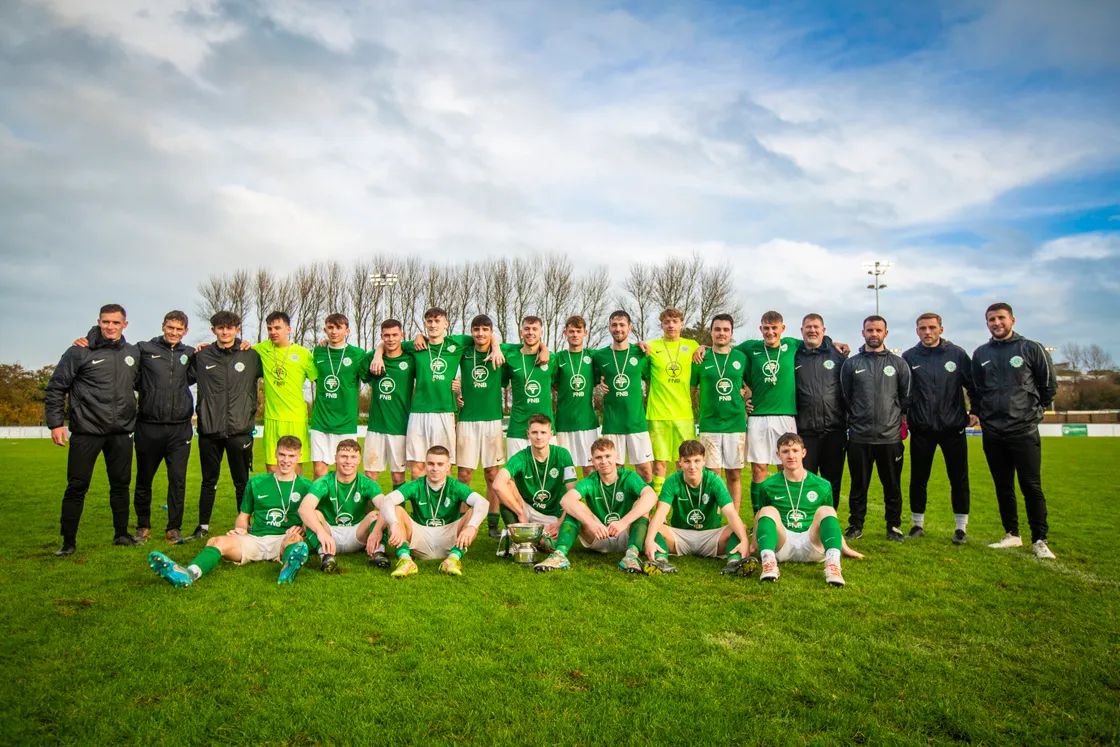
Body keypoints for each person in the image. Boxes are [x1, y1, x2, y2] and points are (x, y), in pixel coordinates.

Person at [71, 310, 195, 544]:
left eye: (179, 329)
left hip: (180, 429)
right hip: (148, 426)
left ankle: (174, 528)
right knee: (144, 479)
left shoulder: (189, 353)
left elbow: (216, 355)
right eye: (170, 327)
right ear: (163, 326)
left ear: (186, 331)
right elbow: (117, 350)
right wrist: (89, 338)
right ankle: (143, 526)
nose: (174, 332)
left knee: (178, 480)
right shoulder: (143, 349)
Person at [146, 436, 313, 586]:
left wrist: (303, 529)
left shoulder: (307, 487)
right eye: (282, 454)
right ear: (275, 454)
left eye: (291, 456)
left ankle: (287, 570)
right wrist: (240, 529)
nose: (286, 460)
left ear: (299, 457)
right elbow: (244, 516)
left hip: (284, 539)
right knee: (215, 541)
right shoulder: (256, 482)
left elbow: (314, 517)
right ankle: (188, 574)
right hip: (255, 539)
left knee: (296, 542)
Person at [45, 304, 141, 555]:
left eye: (116, 322)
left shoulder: (132, 353)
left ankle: (121, 534)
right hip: (86, 430)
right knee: (77, 486)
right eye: (106, 322)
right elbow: (56, 387)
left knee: (121, 485)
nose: (110, 327)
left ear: (125, 325)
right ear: (99, 322)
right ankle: (68, 542)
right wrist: (56, 423)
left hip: (121, 432)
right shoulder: (79, 351)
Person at [370, 307, 504, 476]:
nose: (433, 325)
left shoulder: (457, 343)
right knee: (417, 468)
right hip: (418, 412)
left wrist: (496, 348)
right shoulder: (415, 345)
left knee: (444, 466)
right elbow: (389, 343)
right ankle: (420, 495)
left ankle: (444, 495)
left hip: (444, 412)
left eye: (437, 321)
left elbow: (485, 336)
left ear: (446, 324)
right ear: (425, 324)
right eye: (430, 321)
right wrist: (378, 355)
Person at [971, 303, 1057, 559]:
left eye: (1001, 318)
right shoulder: (981, 353)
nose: (996, 323)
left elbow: (1049, 385)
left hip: (1023, 429)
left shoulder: (1031, 348)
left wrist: (1034, 412)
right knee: (1003, 485)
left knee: (1031, 485)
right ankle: (1012, 534)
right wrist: (982, 413)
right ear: (987, 323)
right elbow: (976, 389)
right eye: (991, 319)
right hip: (992, 431)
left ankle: (1039, 539)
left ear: (1012, 320)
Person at [902, 313, 976, 544]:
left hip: (953, 428)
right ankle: (917, 524)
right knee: (918, 478)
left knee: (959, 478)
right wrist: (904, 414)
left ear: (941, 329)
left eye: (932, 327)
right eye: (923, 328)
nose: (928, 332)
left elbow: (973, 385)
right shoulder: (909, 357)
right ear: (917, 331)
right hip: (922, 428)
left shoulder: (957, 354)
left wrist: (975, 410)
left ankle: (961, 528)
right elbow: (903, 391)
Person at [189, 311, 263, 542]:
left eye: (230, 328)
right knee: (208, 480)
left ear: (237, 329)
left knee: (241, 483)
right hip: (210, 431)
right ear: (213, 330)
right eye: (220, 328)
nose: (225, 332)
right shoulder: (201, 356)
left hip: (240, 430)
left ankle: (245, 526)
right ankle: (202, 526)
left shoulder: (251, 355)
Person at [533, 437, 658, 573]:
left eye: (608, 456)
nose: (604, 461)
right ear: (592, 461)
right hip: (599, 535)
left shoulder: (628, 477)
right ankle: (559, 555)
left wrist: (623, 522)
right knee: (576, 507)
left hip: (626, 534)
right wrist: (592, 524)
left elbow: (651, 496)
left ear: (617, 457)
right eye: (598, 457)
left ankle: (631, 556)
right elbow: (566, 500)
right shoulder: (591, 481)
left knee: (642, 506)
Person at [754, 433, 864, 586]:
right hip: (782, 544)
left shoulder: (822, 485)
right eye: (785, 451)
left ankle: (833, 566)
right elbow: (760, 516)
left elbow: (830, 520)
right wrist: (753, 545)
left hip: (813, 544)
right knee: (767, 510)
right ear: (778, 455)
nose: (791, 456)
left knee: (827, 510)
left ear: (803, 453)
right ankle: (769, 563)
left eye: (795, 450)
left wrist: (844, 546)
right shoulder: (768, 485)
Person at [840, 315, 911, 542]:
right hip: (859, 437)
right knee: (858, 486)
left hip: (889, 438)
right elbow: (845, 397)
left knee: (892, 486)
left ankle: (894, 526)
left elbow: (905, 398)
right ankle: (856, 525)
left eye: (878, 330)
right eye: (870, 330)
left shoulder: (898, 364)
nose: (874, 334)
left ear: (885, 333)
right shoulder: (851, 364)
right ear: (863, 333)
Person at [368, 445, 488, 577]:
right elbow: (387, 500)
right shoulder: (416, 485)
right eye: (431, 464)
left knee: (472, 513)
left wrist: (471, 526)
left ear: (448, 466)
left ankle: (452, 559)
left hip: (449, 537)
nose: (435, 468)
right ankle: (406, 560)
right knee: (397, 510)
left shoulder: (455, 486)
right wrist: (394, 524)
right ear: (425, 465)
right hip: (420, 537)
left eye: (440, 464)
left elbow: (483, 503)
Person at [642, 440, 753, 576]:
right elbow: (660, 513)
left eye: (697, 461)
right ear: (680, 462)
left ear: (704, 461)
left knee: (739, 528)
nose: (692, 466)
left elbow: (730, 512)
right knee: (653, 527)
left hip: (711, 536)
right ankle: (660, 561)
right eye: (687, 461)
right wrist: (649, 539)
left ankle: (734, 563)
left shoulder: (713, 481)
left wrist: (744, 540)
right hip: (680, 536)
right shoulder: (672, 481)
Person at [455, 314, 509, 539]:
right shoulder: (464, 350)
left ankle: (493, 524)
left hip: (492, 420)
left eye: (485, 330)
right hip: (467, 419)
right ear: (471, 332)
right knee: (464, 474)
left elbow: (532, 346)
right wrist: (456, 392)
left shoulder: (501, 352)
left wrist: (496, 346)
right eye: (476, 329)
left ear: (491, 332)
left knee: (492, 474)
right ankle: (460, 522)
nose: (480, 333)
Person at [492, 414, 577, 554]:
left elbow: (573, 493)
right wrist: (520, 513)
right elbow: (497, 484)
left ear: (551, 434)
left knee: (550, 546)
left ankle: (529, 539)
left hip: (552, 514)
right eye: (534, 432)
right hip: (526, 508)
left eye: (543, 432)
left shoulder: (562, 455)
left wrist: (560, 523)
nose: (539, 437)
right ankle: (517, 539)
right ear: (528, 434)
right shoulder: (521, 457)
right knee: (507, 486)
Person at [691, 314, 749, 511]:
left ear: (731, 333)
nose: (721, 333)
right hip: (710, 424)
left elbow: (750, 386)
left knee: (734, 474)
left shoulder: (741, 357)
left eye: (725, 330)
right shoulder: (700, 357)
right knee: (712, 475)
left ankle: (734, 520)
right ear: (711, 332)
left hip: (735, 424)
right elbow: (691, 390)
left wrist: (747, 400)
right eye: (717, 329)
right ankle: (713, 521)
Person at [299, 439, 382, 572]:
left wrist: (377, 530)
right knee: (314, 515)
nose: (348, 461)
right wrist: (321, 532)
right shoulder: (324, 482)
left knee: (377, 515)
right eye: (344, 456)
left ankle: (378, 553)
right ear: (335, 459)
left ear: (359, 460)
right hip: (328, 533)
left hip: (357, 533)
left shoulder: (368, 484)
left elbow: (385, 507)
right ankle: (326, 556)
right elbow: (304, 508)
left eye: (353, 457)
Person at [591, 311, 653, 483]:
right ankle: (619, 501)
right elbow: (592, 381)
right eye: (614, 325)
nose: (618, 329)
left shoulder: (641, 353)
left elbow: (651, 379)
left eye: (622, 325)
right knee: (615, 471)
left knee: (645, 471)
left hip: (636, 422)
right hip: (612, 423)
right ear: (609, 328)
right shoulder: (599, 356)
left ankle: (647, 502)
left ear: (630, 328)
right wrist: (599, 383)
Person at [794, 314, 848, 509]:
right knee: (805, 482)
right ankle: (807, 522)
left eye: (816, 327)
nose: (812, 330)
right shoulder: (795, 355)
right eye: (808, 327)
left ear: (823, 330)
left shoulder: (838, 356)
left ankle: (829, 521)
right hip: (805, 432)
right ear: (801, 331)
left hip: (834, 430)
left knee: (831, 483)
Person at [255, 311, 318, 472]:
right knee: (272, 468)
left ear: (288, 329)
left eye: (277, 328)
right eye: (270, 329)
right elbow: (238, 350)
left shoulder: (303, 353)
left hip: (296, 418)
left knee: (295, 468)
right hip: (272, 418)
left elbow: (320, 381)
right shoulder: (261, 349)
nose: (273, 332)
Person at [309, 314, 369, 479]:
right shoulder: (318, 351)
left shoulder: (357, 354)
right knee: (319, 471)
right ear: (325, 330)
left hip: (345, 423)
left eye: (338, 327)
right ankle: (320, 498)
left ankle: (343, 497)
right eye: (330, 327)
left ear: (347, 331)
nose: (334, 331)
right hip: (321, 421)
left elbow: (370, 377)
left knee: (345, 471)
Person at [645, 307, 696, 495]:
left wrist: (704, 348)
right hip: (658, 414)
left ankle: (683, 502)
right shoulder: (651, 347)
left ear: (682, 324)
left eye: (675, 321)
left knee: (685, 462)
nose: (671, 325)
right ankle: (659, 506)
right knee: (659, 464)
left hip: (684, 415)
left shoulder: (692, 345)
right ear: (661, 325)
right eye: (667, 322)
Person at [363, 319, 414, 490]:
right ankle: (372, 507)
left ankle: (397, 507)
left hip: (400, 427)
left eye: (394, 335)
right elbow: (357, 377)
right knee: (370, 475)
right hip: (375, 427)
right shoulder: (372, 358)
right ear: (381, 336)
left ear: (402, 335)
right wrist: (378, 353)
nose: (391, 339)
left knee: (398, 475)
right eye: (386, 335)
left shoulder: (410, 359)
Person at [552, 315, 601, 478]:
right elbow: (553, 384)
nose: (575, 334)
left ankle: (591, 496)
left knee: (590, 468)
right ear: (565, 333)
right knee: (565, 470)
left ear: (585, 333)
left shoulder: (593, 356)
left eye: (578, 331)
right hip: (563, 423)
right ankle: (568, 496)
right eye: (571, 331)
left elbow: (615, 352)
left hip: (587, 422)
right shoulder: (558, 358)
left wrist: (639, 344)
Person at [502, 316, 556, 456]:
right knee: (515, 470)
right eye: (527, 329)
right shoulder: (511, 357)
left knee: (548, 469)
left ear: (541, 332)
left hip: (545, 429)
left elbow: (560, 385)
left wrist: (544, 349)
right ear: (521, 332)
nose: (530, 332)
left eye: (534, 329)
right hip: (518, 428)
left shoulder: (552, 359)